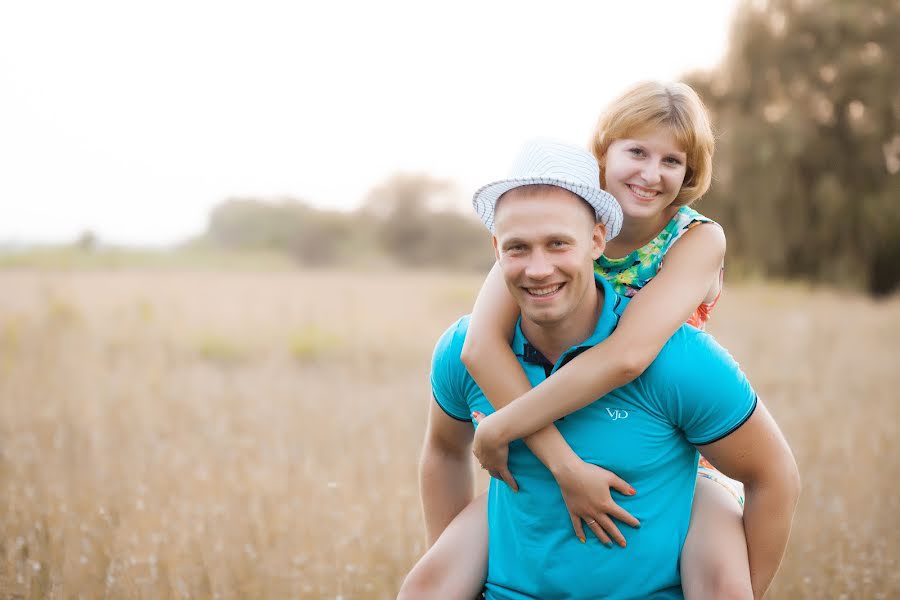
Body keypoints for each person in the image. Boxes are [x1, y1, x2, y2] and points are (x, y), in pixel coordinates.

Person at [398, 135, 800, 599]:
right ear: (496, 249)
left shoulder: (676, 359)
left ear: (596, 239)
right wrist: (452, 563)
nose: (538, 268)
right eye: (518, 248)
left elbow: (773, 474)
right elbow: (445, 451)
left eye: (557, 244)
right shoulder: (464, 350)